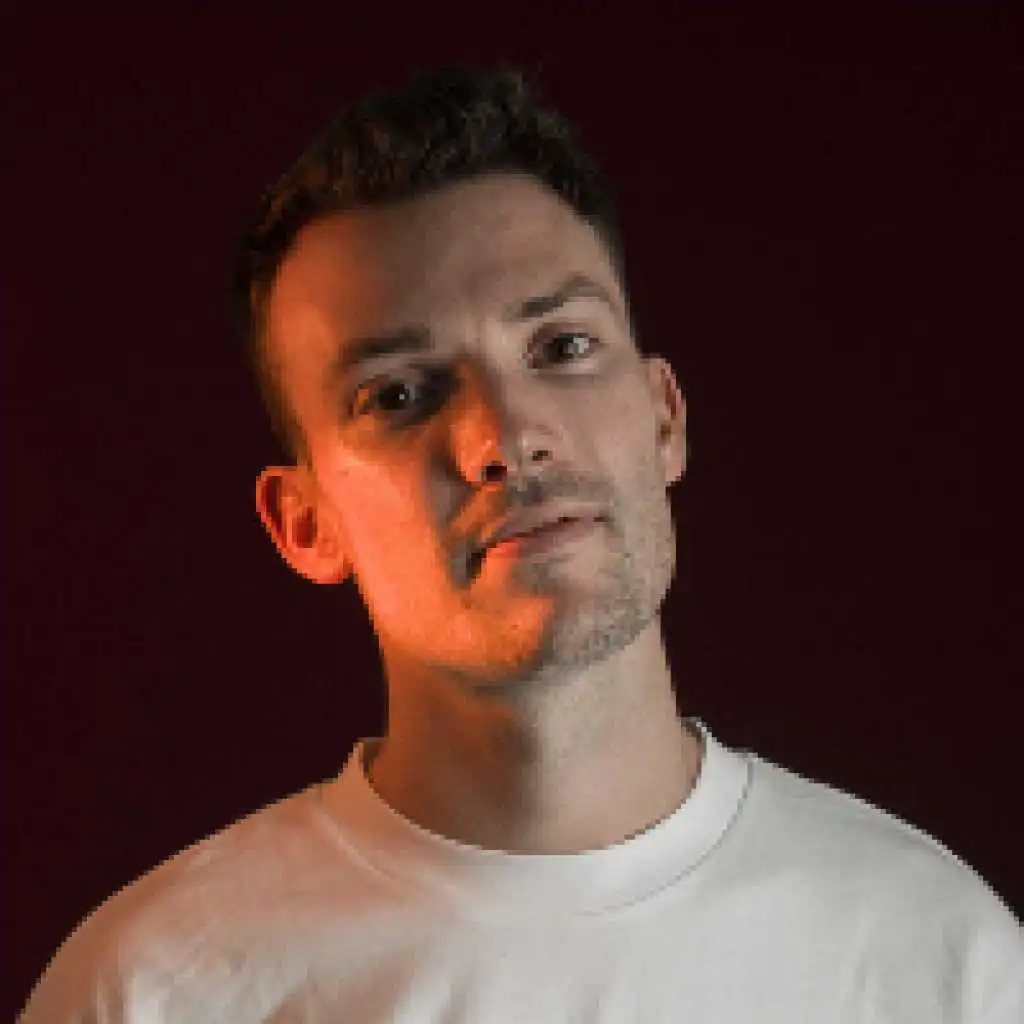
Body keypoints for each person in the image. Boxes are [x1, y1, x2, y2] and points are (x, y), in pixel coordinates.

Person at [21, 63, 1021, 1022]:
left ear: (663, 417)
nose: (505, 435)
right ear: (305, 523)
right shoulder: (152, 992)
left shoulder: (938, 961)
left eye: (562, 347)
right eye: (399, 395)